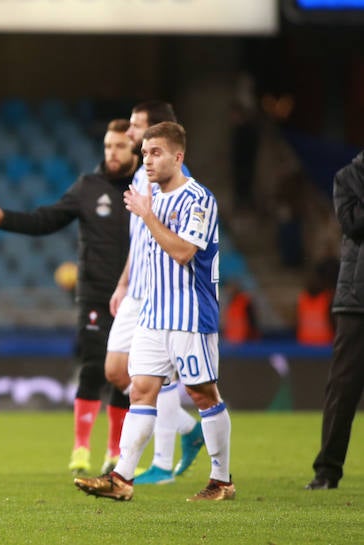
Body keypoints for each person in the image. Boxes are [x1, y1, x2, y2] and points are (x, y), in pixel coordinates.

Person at [75, 121, 235, 502]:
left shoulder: (198, 199)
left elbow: (182, 253)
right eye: (144, 152)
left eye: (156, 152)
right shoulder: (152, 198)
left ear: (178, 157)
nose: (147, 159)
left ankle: (221, 480)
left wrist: (147, 216)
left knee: (203, 394)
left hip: (190, 315)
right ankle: (122, 478)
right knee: (141, 392)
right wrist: (127, 286)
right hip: (153, 313)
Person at [0, 119, 137, 476]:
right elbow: (46, 219)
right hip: (95, 294)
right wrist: (5, 220)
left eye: (119, 147)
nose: (111, 153)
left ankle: (115, 451)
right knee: (94, 366)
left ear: (134, 150)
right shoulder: (88, 187)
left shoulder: (144, 191)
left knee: (124, 375)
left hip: (136, 298)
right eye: (108, 146)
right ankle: (81, 447)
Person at [103, 101, 204, 485]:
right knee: (116, 370)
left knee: (156, 379)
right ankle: (186, 429)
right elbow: (141, 237)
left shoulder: (175, 181)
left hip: (165, 296)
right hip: (138, 289)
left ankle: (161, 464)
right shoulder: (143, 174)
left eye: (137, 127)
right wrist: (125, 281)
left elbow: (179, 245)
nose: (130, 134)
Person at [306, 150, 364, 490]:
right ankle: (327, 471)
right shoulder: (348, 177)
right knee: (343, 388)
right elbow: (353, 224)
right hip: (357, 300)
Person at [221, 279, 260, 344]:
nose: (228, 290)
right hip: (232, 340)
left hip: (244, 340)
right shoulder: (230, 302)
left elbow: (252, 320)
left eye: (231, 287)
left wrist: (252, 336)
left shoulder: (245, 301)